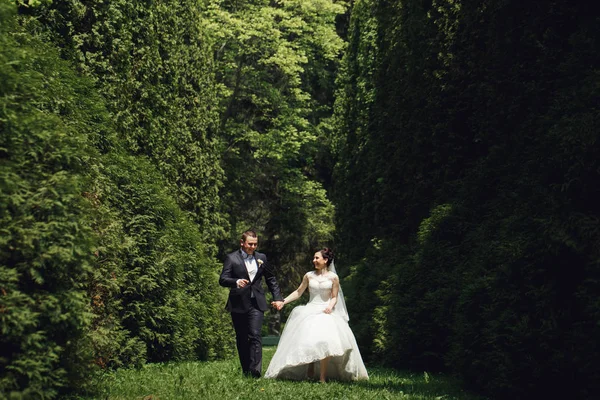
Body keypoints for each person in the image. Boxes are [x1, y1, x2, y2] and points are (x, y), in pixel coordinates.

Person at [265, 248, 368, 382]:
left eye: (317, 258)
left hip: (326, 310)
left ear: (325, 260)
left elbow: (335, 296)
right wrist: (282, 302)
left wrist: (330, 306)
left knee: (325, 342)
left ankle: (322, 377)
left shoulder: (333, 278)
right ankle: (310, 368)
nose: (314, 260)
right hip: (310, 310)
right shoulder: (309, 275)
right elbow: (298, 292)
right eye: (313, 258)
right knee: (309, 340)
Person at [219, 230, 284, 378]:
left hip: (257, 303)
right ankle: (246, 371)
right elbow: (223, 279)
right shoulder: (231, 258)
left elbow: (271, 279)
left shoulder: (262, 258)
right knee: (242, 337)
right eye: (250, 244)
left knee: (255, 335)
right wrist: (235, 282)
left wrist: (278, 298)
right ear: (242, 243)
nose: (253, 247)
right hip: (238, 303)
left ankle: (255, 372)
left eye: (255, 244)